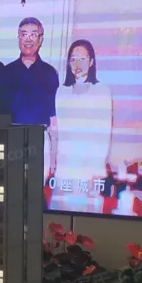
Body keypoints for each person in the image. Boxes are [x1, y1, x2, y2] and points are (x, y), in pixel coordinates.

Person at [52, 38, 114, 212]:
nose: (77, 64)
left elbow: (104, 136)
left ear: (91, 62)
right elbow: (59, 132)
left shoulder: (102, 92)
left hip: (90, 169)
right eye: (73, 59)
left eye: (82, 59)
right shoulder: (61, 92)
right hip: (65, 167)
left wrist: (96, 170)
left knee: (87, 216)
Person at [2, 17, 60, 182]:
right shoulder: (5, 72)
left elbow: (53, 117)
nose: (28, 39)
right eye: (24, 34)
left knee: (36, 189)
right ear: (18, 38)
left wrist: (54, 154)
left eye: (33, 35)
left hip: (40, 141)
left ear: (40, 39)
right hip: (12, 141)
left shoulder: (50, 73)